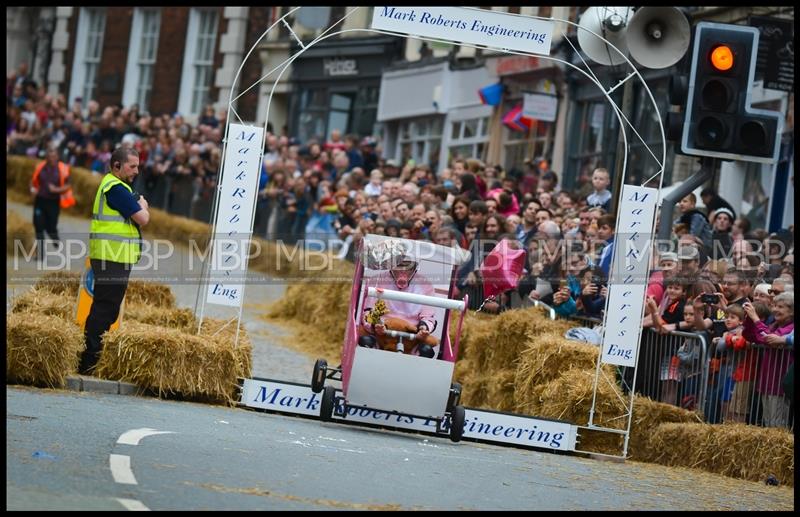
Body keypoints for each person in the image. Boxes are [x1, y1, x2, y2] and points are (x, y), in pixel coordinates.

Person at [79, 146, 150, 375]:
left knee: (105, 307)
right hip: (112, 256)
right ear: (117, 166)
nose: (136, 171)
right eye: (132, 166)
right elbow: (143, 218)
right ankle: (89, 361)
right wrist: (144, 205)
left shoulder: (117, 186)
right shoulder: (117, 188)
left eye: (138, 166)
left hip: (112, 256)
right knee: (105, 308)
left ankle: (90, 358)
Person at [359, 255, 438, 358]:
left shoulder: (426, 285)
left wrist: (423, 328)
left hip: (411, 336)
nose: (403, 270)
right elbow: (368, 311)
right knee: (366, 341)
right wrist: (375, 325)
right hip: (381, 333)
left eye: (407, 266)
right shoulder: (377, 280)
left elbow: (428, 316)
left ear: (414, 267)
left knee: (426, 351)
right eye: (399, 265)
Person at [30, 145, 76, 260]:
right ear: (46, 156)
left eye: (54, 156)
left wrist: (57, 190)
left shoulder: (63, 168)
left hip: (53, 202)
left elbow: (69, 185)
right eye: (49, 156)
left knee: (51, 227)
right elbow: (32, 181)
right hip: (40, 200)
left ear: (57, 156)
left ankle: (55, 239)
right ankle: (40, 254)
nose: (51, 158)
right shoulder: (40, 166)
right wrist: (32, 189)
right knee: (38, 226)